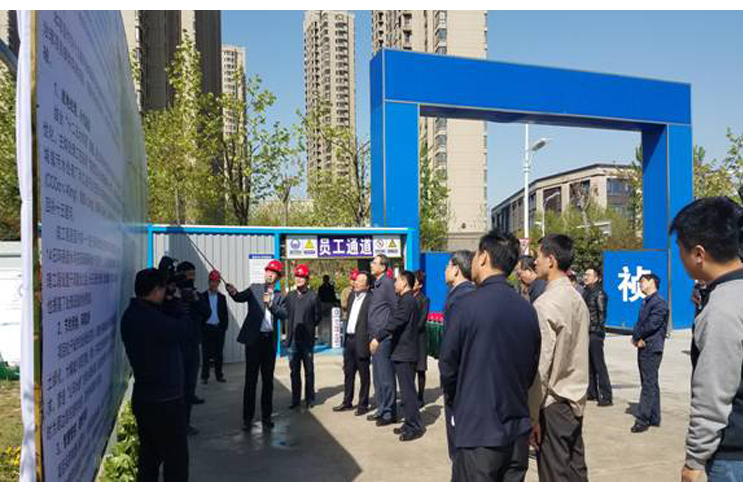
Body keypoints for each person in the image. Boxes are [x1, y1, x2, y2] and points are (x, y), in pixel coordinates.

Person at [440, 230, 541, 482]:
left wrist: (458, 403)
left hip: (478, 432)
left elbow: (448, 367)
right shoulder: (527, 309)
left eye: (475, 255)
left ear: (484, 257)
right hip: (516, 432)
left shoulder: (465, 306)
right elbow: (530, 369)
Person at [670, 198, 743, 482]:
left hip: (733, 455)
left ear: (698, 254)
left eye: (680, 249)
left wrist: (695, 458)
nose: (680, 257)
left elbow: (713, 391)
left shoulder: (722, 308)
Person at [529, 234, 590, 482]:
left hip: (553, 405)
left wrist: (532, 415)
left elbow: (541, 367)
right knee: (576, 473)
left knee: (554, 476)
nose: (535, 261)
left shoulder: (545, 304)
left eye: (538, 256)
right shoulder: (577, 299)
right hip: (576, 400)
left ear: (551, 260)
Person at [121, 268, 190, 481]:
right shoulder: (152, 319)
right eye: (163, 288)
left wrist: (168, 301)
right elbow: (184, 329)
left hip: (145, 398)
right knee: (176, 461)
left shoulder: (131, 314)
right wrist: (177, 302)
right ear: (155, 290)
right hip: (165, 402)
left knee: (149, 457)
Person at [225, 260, 287, 431]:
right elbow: (239, 297)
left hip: (269, 342)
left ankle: (266, 417)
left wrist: (271, 304)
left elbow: (283, 314)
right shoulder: (255, 288)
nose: (270, 274)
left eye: (274, 273)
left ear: (278, 277)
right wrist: (232, 292)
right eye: (269, 271)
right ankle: (247, 418)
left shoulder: (279, 296)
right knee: (250, 380)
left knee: (268, 381)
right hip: (254, 341)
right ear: (265, 272)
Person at [371, 270, 424, 441]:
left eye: (397, 281)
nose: (395, 284)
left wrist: (378, 337)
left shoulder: (407, 300)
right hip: (402, 352)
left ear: (404, 282)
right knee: (406, 392)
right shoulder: (406, 299)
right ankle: (409, 422)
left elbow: (397, 321)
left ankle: (414, 427)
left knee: (408, 393)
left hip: (405, 353)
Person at [440, 249, 476, 461]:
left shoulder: (460, 298)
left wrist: (449, 382)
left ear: (456, 269)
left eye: (447, 266)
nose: (444, 270)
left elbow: (451, 350)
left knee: (459, 439)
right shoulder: (468, 293)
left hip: (461, 382)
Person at [171, 260, 211, 435]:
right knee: (176, 387)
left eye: (193, 275)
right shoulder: (172, 296)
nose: (191, 279)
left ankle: (185, 423)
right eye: (188, 275)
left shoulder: (196, 294)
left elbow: (207, 313)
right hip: (176, 347)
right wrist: (175, 298)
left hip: (193, 345)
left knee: (189, 386)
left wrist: (196, 301)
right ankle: (174, 423)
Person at [630, 272, 669, 433]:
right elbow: (640, 323)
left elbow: (652, 324)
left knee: (648, 384)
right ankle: (654, 417)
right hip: (644, 345)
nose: (640, 284)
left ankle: (642, 420)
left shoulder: (659, 303)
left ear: (652, 282)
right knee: (651, 382)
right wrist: (635, 337)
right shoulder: (647, 301)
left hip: (651, 347)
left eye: (643, 281)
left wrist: (638, 336)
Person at [334, 271, 373, 414]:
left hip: (362, 340)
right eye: (356, 280)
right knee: (348, 372)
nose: (356, 282)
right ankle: (347, 402)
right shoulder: (351, 296)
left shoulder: (371, 299)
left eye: (361, 281)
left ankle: (363, 405)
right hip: (349, 340)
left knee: (364, 375)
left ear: (367, 286)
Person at [285, 264, 323, 409]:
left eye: (302, 277)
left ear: (307, 279)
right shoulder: (290, 296)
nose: (299, 279)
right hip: (293, 340)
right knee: (294, 372)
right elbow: (285, 313)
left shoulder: (313, 296)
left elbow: (318, 316)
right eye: (297, 276)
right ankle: (295, 400)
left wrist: (310, 327)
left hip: (307, 340)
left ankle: (309, 399)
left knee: (309, 371)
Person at [367, 254, 398, 426]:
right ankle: (381, 409)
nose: (371, 265)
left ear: (383, 267)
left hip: (383, 338)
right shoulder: (377, 284)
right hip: (374, 337)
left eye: (374, 262)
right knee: (378, 377)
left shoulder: (387, 283)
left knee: (386, 377)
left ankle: (389, 413)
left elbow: (395, 310)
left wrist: (384, 334)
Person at [583, 267, 612, 406]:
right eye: (585, 274)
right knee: (589, 364)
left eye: (589, 275)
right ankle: (592, 392)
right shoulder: (586, 291)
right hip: (586, 332)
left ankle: (606, 395)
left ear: (596, 278)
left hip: (595, 333)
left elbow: (601, 315)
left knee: (599, 365)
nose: (586, 277)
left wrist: (598, 332)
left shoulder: (599, 293)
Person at [201, 270, 229, 384]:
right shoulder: (202, 296)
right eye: (212, 281)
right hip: (206, 329)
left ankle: (219, 375)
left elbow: (225, 314)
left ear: (219, 283)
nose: (214, 284)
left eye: (216, 281)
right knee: (206, 354)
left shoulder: (222, 297)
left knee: (219, 354)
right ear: (209, 282)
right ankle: (205, 377)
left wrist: (223, 328)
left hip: (218, 329)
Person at [413, 270, 430, 408]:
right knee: (409, 369)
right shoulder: (406, 297)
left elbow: (422, 321)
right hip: (408, 340)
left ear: (420, 285)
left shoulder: (424, 300)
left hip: (419, 339)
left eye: (415, 282)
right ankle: (411, 395)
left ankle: (420, 397)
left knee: (420, 369)